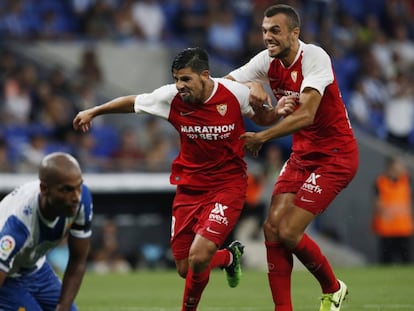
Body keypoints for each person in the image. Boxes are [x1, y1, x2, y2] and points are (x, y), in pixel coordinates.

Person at [73, 47, 294, 311]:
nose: (179, 85)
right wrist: (94, 111)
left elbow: (263, 117)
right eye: (176, 79)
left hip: (228, 186)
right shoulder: (171, 97)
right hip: (189, 189)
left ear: (205, 75)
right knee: (185, 268)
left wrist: (276, 108)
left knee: (199, 256)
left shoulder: (234, 93)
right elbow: (133, 102)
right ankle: (228, 258)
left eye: (185, 79)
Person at [225, 4, 359, 311]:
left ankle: (333, 287)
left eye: (275, 31)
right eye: (264, 31)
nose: (267, 37)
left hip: (335, 155)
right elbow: (226, 84)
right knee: (271, 228)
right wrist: (249, 86)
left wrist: (262, 136)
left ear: (294, 33)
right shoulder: (266, 61)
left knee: (288, 231)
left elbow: (308, 114)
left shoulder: (315, 57)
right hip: (303, 154)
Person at [0, 152, 93, 310]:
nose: (76, 196)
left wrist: (62, 307)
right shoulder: (17, 224)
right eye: (67, 189)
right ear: (44, 189)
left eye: (79, 187)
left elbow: (78, 260)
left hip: (35, 268)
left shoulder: (81, 201)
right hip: (6, 276)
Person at [372, 156, 414, 264]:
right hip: (387, 229)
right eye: (399, 165)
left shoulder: (407, 180)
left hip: (403, 228)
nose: (401, 168)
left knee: (406, 262)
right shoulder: (380, 182)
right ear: (390, 166)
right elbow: (377, 204)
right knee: (386, 262)